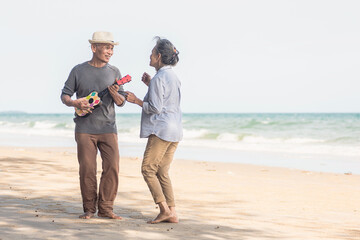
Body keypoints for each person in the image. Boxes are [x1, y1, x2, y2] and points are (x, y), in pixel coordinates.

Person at [60, 31, 126, 220]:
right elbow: (65, 95)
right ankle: (89, 209)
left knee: (112, 167)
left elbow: (121, 102)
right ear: (94, 48)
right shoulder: (78, 70)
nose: (110, 51)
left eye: (112, 48)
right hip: (84, 129)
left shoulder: (115, 72)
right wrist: (75, 103)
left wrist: (115, 94)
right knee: (87, 169)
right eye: (107, 47)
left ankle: (106, 208)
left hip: (108, 128)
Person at [126, 37, 182, 224]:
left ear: (158, 56)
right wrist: (150, 84)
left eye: (151, 53)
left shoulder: (160, 77)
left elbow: (156, 107)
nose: (149, 56)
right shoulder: (172, 76)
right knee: (162, 171)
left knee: (148, 169)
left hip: (161, 130)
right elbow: (167, 99)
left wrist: (136, 101)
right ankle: (172, 212)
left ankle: (164, 209)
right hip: (175, 130)